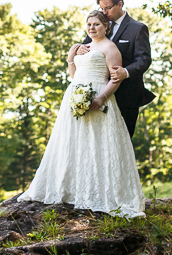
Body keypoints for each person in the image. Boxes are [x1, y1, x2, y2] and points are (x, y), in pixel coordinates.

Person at [17, 11, 145, 217]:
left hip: (99, 98)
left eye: (96, 24)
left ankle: (105, 194)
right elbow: (75, 76)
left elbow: (115, 78)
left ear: (106, 27)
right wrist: (71, 57)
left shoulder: (110, 47)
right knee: (74, 143)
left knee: (99, 144)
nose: (92, 28)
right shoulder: (84, 47)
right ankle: (73, 190)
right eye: (89, 24)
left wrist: (101, 98)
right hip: (75, 97)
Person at [78, 0, 154, 138]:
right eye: (101, 8)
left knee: (120, 145)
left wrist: (125, 72)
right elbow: (86, 47)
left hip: (126, 98)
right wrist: (78, 49)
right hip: (96, 96)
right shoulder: (98, 25)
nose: (104, 13)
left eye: (108, 8)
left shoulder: (137, 29)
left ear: (120, 4)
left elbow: (144, 59)